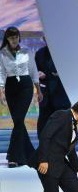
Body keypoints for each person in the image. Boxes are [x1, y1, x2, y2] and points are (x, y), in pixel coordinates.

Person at [0, 26, 40, 167]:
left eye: (16, 37)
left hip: (25, 86)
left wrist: (38, 90)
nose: (14, 40)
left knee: (18, 120)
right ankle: (29, 154)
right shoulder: (2, 54)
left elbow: (33, 71)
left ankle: (13, 156)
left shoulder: (26, 52)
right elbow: (1, 73)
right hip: (11, 86)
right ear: (7, 39)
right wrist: (1, 91)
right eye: (11, 37)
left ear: (19, 37)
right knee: (18, 122)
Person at [35, 38, 71, 135]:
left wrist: (49, 74)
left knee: (64, 124)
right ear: (43, 38)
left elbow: (70, 71)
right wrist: (38, 74)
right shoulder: (39, 53)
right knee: (43, 123)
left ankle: (67, 149)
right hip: (45, 94)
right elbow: (35, 71)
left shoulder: (65, 53)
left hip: (61, 94)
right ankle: (43, 147)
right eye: (45, 37)